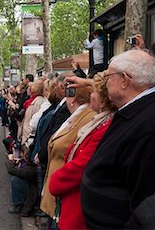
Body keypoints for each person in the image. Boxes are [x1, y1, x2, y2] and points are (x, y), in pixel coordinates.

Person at [81, 50, 155, 229]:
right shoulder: (141, 111)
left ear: (124, 80)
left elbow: (152, 202)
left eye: (109, 76)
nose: (106, 82)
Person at [49, 72, 117, 229]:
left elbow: (82, 164)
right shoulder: (100, 122)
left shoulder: (105, 126)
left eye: (93, 92)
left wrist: (56, 180)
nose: (90, 96)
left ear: (103, 99)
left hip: (78, 203)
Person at [40, 82, 95, 221]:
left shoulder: (87, 118)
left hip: (64, 189)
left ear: (73, 98)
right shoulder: (75, 117)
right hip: (57, 187)